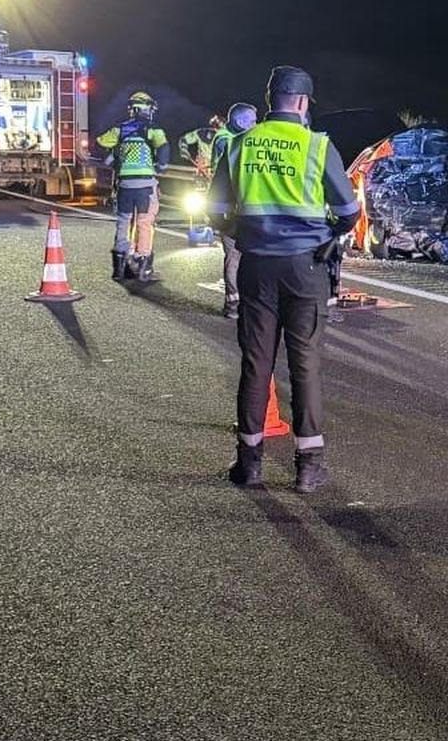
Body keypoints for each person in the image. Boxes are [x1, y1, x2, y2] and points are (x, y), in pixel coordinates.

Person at [211, 67, 359, 492]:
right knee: (305, 365)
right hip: (306, 268)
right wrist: (326, 231)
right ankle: (308, 469)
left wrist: (248, 234)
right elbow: (349, 213)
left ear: (270, 98)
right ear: (302, 102)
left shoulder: (239, 145)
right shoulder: (317, 146)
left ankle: (249, 465)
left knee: (256, 364)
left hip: (256, 266)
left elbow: (214, 210)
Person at [183, 104, 260, 318]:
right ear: (240, 121)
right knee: (235, 257)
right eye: (252, 121)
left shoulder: (230, 138)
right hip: (232, 208)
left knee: (239, 257)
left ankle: (239, 302)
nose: (256, 125)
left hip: (233, 206)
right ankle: (234, 303)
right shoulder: (228, 140)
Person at [95, 91, 171, 281]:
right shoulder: (153, 129)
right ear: (145, 108)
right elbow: (163, 148)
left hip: (124, 184)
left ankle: (120, 268)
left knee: (123, 222)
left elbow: (99, 143)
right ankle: (143, 265)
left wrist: (113, 162)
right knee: (144, 223)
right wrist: (161, 168)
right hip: (146, 184)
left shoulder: (119, 129)